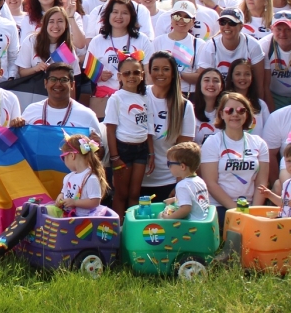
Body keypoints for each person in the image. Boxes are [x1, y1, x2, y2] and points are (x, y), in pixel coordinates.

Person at [83, 0, 153, 117]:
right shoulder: (97, 41)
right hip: (104, 99)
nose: (119, 16)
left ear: (131, 16)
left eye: (124, 12)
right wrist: (98, 75)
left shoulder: (142, 40)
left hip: (135, 97)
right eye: (115, 12)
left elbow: (149, 72)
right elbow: (87, 71)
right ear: (108, 15)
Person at [140, 52, 195, 201]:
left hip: (168, 182)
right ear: (149, 72)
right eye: (156, 69)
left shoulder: (184, 106)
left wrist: (179, 186)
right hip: (136, 179)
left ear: (173, 73)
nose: (160, 73)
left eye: (166, 69)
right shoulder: (138, 95)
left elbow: (185, 152)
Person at [103, 56, 154, 215]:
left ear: (142, 75)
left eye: (136, 72)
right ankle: (118, 228)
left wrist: (151, 153)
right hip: (123, 150)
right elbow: (110, 130)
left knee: (134, 193)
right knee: (121, 194)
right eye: (126, 73)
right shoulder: (116, 98)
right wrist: (114, 156)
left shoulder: (146, 97)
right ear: (119, 76)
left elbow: (149, 128)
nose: (131, 76)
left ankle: (132, 227)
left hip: (141, 150)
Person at [21, 62, 106, 138]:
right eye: (53, 79)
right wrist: (15, 125)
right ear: (45, 83)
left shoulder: (87, 115)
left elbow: (100, 150)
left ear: (72, 85)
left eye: (64, 80)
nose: (58, 84)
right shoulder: (31, 111)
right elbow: (19, 143)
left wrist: (96, 146)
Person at [201, 7, 266, 88]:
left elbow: (259, 84)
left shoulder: (253, 45)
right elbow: (203, 83)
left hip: (245, 93)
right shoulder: (210, 46)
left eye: (232, 23)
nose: (226, 26)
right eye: (223, 22)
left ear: (241, 26)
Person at [154, 1, 208, 92]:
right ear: (171, 18)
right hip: (162, 92)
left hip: (187, 94)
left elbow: (202, 76)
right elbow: (151, 71)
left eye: (187, 18)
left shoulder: (199, 44)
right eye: (177, 16)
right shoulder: (158, 41)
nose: (181, 20)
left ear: (193, 22)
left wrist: (177, 75)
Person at [16, 7, 81, 77]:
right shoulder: (31, 41)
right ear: (45, 25)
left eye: (60, 21)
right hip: (35, 86)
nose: (55, 26)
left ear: (66, 25)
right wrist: (35, 69)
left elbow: (74, 76)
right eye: (51, 21)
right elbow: (22, 72)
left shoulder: (66, 47)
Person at [55, 133, 108, 217]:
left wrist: (75, 202)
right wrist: (60, 197)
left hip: (84, 220)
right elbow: (63, 192)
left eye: (63, 157)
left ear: (72, 155)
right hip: (69, 216)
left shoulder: (90, 178)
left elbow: (95, 202)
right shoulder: (68, 177)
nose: (63, 160)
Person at [161, 142, 210, 221]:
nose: (169, 167)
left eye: (169, 163)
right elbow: (194, 198)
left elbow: (185, 209)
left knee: (161, 216)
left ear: (182, 166)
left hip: (192, 226)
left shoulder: (182, 185)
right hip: (204, 220)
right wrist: (175, 199)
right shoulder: (199, 180)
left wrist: (168, 218)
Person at [223, 58, 269, 138]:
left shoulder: (261, 104)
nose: (243, 78)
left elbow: (269, 132)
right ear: (231, 77)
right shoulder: (224, 103)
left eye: (247, 74)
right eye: (238, 74)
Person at [191, 68, 226, 145]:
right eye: (206, 80)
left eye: (216, 81)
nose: (211, 84)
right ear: (200, 84)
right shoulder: (189, 111)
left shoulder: (227, 112)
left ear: (222, 87)